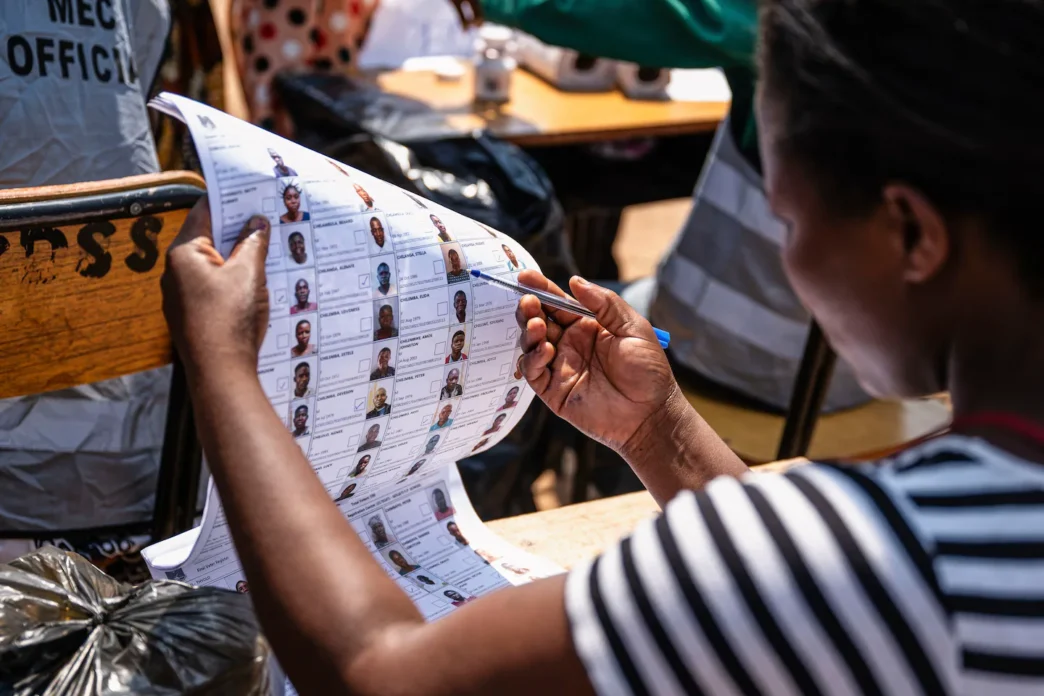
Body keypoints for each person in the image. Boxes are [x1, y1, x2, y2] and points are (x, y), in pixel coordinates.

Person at [164, 4, 1044, 685]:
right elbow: (807, 594)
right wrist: (656, 431)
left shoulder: (898, 554)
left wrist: (228, 367)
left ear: (910, 234)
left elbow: (381, 676)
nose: (791, 256)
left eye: (786, 219)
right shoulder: (950, 529)